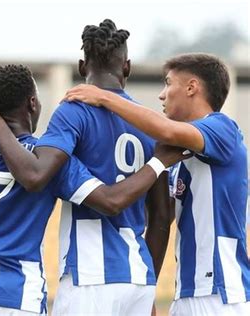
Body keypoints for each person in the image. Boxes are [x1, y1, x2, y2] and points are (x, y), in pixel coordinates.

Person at [0, 64, 188, 315]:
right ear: (33, 104)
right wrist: (158, 162)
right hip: (23, 296)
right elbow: (111, 200)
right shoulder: (53, 162)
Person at [0, 20, 170, 315]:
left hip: (90, 278)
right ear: (127, 67)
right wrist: (149, 280)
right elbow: (161, 215)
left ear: (82, 67)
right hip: (138, 280)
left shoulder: (73, 110)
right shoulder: (148, 122)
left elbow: (37, 172)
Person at [64, 53, 250, 315]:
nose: (161, 95)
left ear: (191, 87)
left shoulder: (222, 128)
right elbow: (161, 219)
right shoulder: (180, 154)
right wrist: (147, 289)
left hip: (221, 295)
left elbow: (165, 130)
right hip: (186, 293)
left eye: (167, 83)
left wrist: (104, 97)